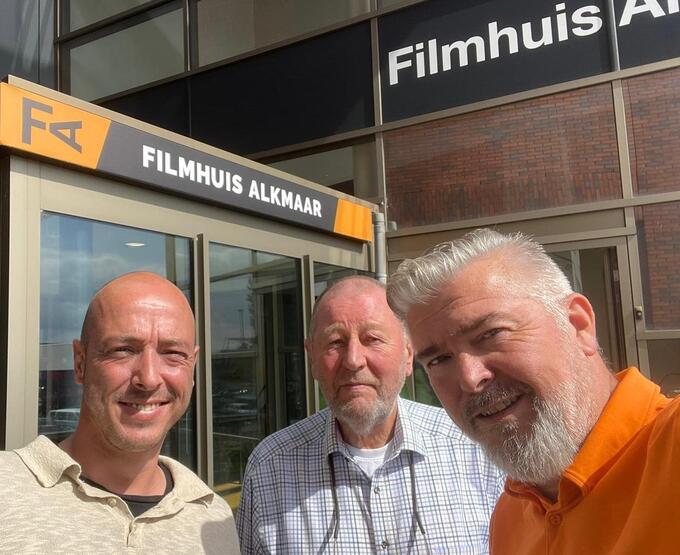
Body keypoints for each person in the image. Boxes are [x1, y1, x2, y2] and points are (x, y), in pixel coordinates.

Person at [387, 228, 680, 554]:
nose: (470, 378)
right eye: (439, 360)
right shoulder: (512, 515)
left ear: (578, 325)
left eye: (491, 333)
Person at [236, 275, 504, 554]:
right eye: (335, 342)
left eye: (373, 339)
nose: (353, 360)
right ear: (312, 358)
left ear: (408, 354)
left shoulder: (474, 448)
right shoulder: (271, 467)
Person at [0, 272, 239, 554]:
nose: (149, 378)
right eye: (123, 350)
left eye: (173, 353)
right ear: (80, 362)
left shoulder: (213, 519)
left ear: (193, 367)